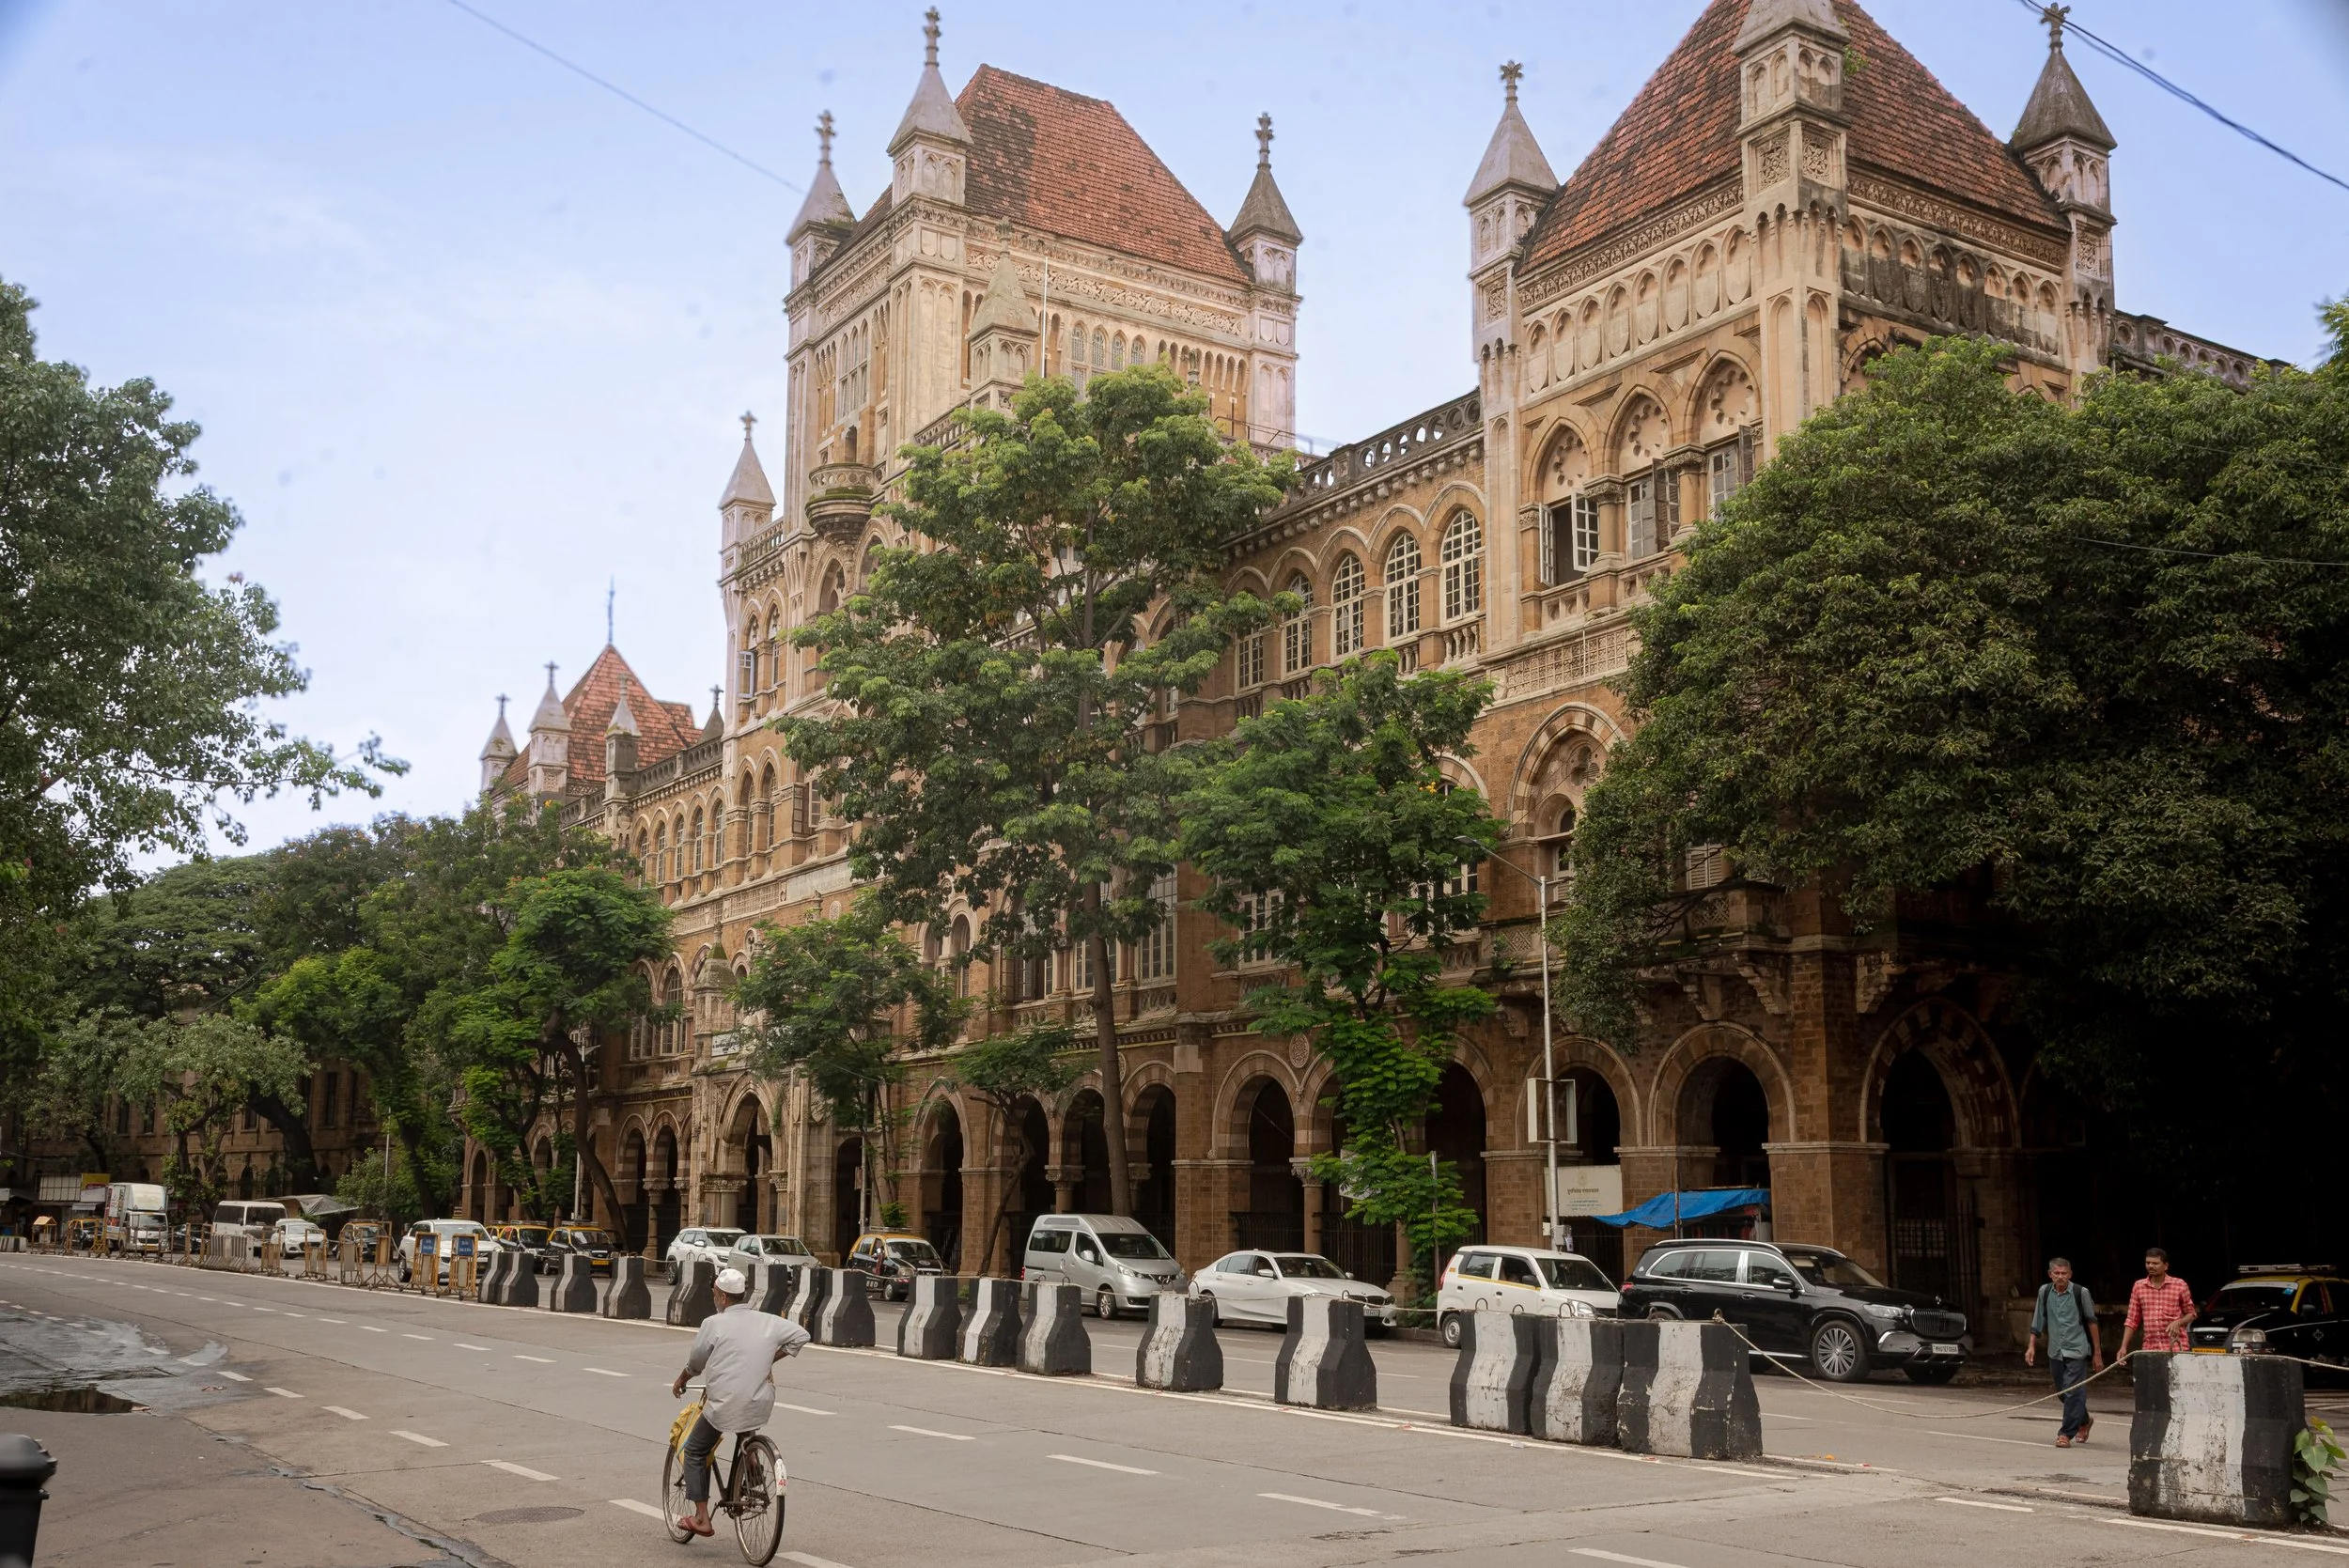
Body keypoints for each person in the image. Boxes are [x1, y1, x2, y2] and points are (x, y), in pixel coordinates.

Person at [668, 1265, 809, 1537]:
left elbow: (696, 1363)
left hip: (723, 1404)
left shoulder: (713, 1324)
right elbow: (802, 1335)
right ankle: (752, 1469)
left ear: (722, 1297)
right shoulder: (768, 1321)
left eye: (714, 1294)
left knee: (695, 1451)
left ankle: (701, 1518)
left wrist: (681, 1380)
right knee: (746, 1430)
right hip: (759, 1402)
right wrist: (769, 1358)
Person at [2023, 1257, 2102, 1447]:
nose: (2060, 1277)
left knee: (2073, 1390)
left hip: (2076, 1350)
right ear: (2050, 1274)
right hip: (2056, 1351)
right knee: (2063, 1393)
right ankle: (2084, 1420)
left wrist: (2097, 1353)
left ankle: (2065, 1433)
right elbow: (2038, 1320)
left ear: (2070, 1274)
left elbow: (2092, 1322)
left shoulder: (2080, 1292)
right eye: (2056, 1273)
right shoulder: (2045, 1291)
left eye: (2064, 1273)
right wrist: (2031, 1345)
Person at [2119, 1246, 2196, 1361]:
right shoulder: (2139, 1286)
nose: (2151, 1266)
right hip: (2150, 1349)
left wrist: (2178, 1323)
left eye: (2155, 1263)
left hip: (2175, 1348)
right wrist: (2123, 1347)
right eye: (2148, 1263)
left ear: (2166, 1266)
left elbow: (2191, 1314)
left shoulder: (2179, 1285)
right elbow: (2132, 1320)